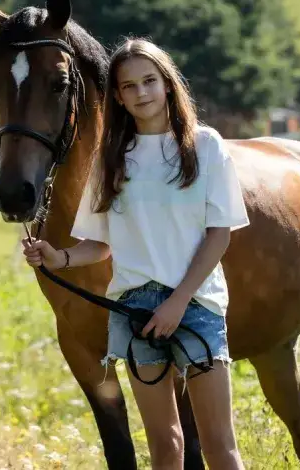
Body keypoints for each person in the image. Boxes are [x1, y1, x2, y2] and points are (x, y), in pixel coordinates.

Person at [23, 37, 249, 469]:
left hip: (196, 307)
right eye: (129, 86)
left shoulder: (205, 146)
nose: (141, 92)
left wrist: (178, 302)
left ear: (168, 84)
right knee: (165, 447)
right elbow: (102, 242)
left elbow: (219, 235)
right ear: (119, 98)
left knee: (220, 447)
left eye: (149, 81)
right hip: (135, 312)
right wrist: (59, 258)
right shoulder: (111, 159)